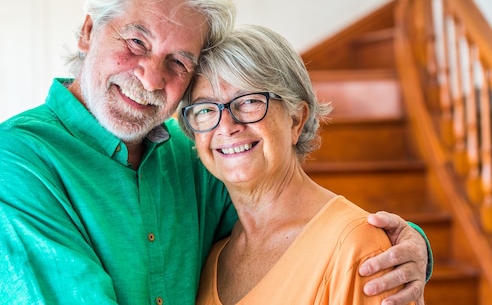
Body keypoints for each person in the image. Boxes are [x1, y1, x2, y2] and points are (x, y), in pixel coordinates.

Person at [0, 0, 430, 305]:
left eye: (178, 61)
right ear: (88, 31)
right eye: (136, 42)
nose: (150, 76)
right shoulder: (14, 164)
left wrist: (401, 246)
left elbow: (286, 221)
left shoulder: (195, 155)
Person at [180, 24, 420, 304]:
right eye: (206, 109)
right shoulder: (213, 257)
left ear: (296, 118)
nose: (227, 126)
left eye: (248, 102)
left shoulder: (358, 247)